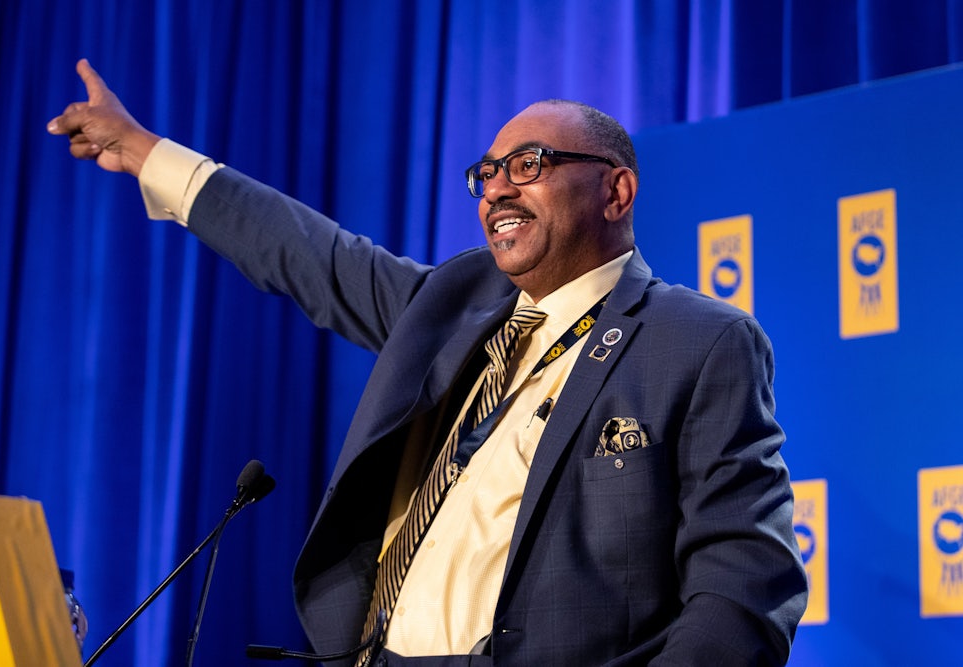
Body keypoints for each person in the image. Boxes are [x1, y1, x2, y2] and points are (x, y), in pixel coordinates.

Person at [49, 59, 808, 666]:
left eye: (529, 163)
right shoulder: (453, 305)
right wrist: (148, 154)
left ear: (617, 190)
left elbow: (744, 584)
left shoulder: (697, 341)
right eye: (487, 173)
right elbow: (311, 256)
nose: (498, 188)